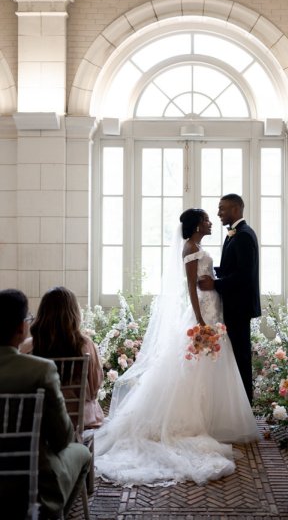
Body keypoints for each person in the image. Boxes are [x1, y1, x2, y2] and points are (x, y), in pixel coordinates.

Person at [94, 208, 258, 487]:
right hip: (203, 313)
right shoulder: (190, 248)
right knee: (198, 365)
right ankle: (193, 420)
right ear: (196, 226)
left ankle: (213, 419)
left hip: (213, 309)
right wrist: (199, 319)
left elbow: (206, 280)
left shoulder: (198, 246)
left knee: (212, 365)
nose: (210, 222)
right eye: (206, 220)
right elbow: (192, 288)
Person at [0, 288, 91, 519]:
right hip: (33, 483)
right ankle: (55, 512)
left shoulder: (35, 358)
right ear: (22, 327)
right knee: (81, 451)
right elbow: (62, 438)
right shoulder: (40, 370)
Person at [198, 194, 261, 403]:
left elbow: (244, 275)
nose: (218, 213)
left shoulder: (243, 235)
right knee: (234, 355)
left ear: (235, 209)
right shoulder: (234, 234)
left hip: (240, 307)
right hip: (233, 305)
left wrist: (214, 284)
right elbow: (229, 268)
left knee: (240, 357)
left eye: (221, 209)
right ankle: (236, 404)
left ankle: (244, 405)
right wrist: (207, 271)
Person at [20, 286, 104, 429]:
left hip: (40, 418)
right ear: (74, 313)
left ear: (43, 313)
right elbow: (95, 387)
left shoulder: (28, 347)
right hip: (78, 418)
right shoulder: (86, 345)